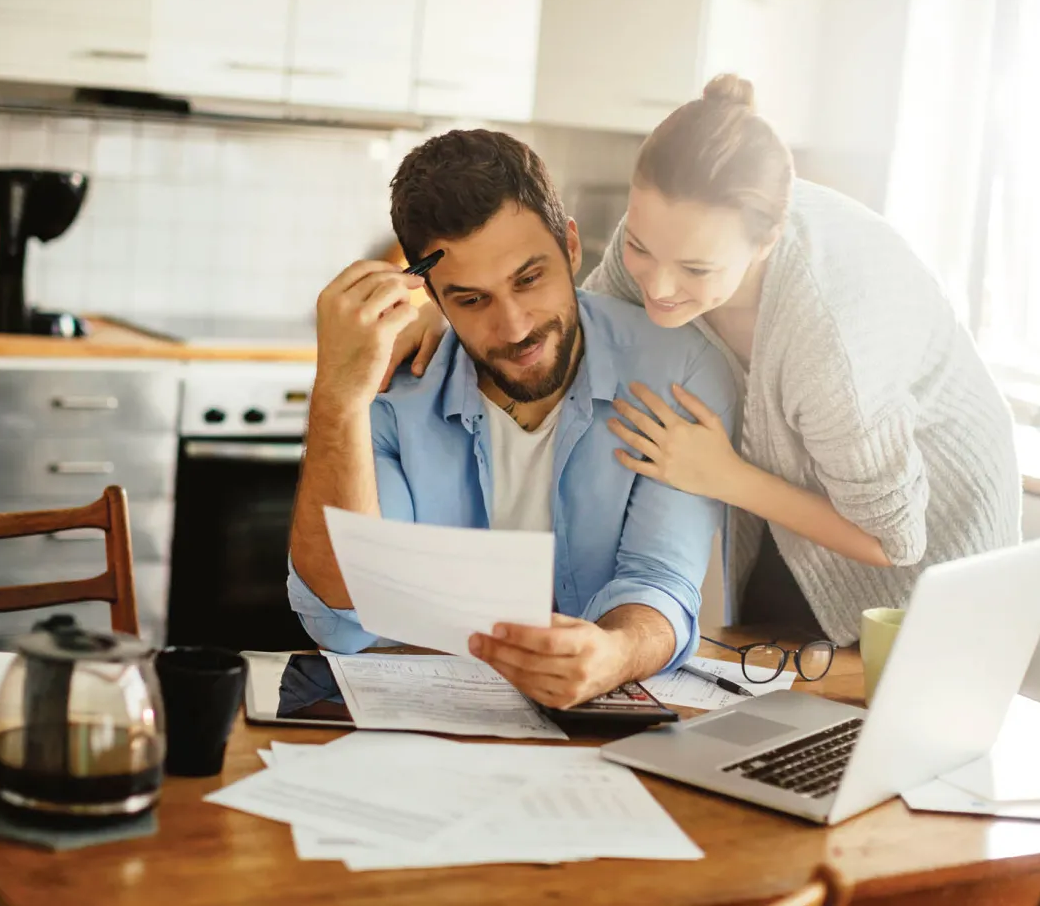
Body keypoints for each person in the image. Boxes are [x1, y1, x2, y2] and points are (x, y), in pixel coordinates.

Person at [389, 75, 1022, 645]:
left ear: (766, 240)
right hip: (797, 523)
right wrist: (449, 309)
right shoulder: (667, 249)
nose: (657, 287)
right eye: (637, 246)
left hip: (928, 561)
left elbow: (894, 540)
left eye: (695, 268)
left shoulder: (830, 342)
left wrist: (726, 477)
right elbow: (581, 324)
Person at [287, 129, 736, 708]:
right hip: (425, 722)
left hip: (600, 727)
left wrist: (615, 653)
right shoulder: (390, 388)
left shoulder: (680, 370)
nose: (517, 326)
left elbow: (659, 580)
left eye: (530, 279)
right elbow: (343, 612)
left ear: (571, 248)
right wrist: (336, 400)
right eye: (472, 300)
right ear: (433, 297)